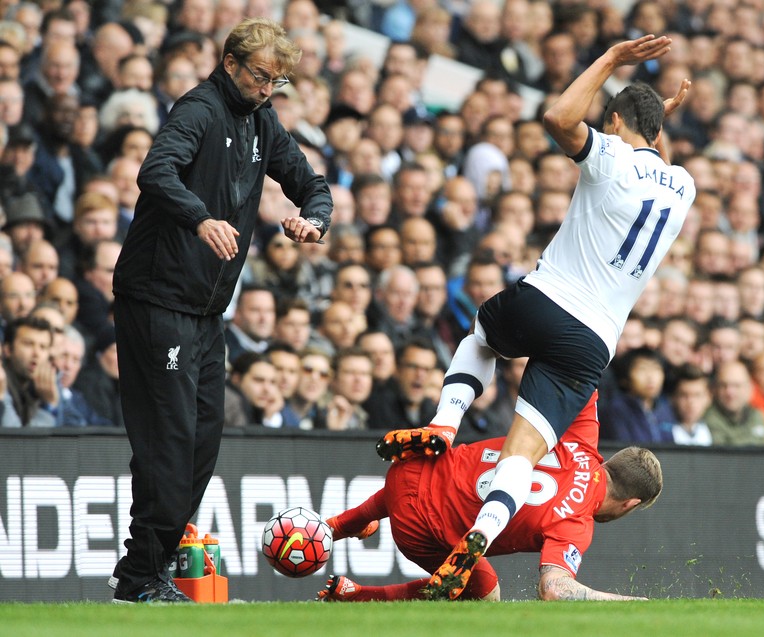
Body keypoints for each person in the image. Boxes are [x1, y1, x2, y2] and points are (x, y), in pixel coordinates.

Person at [375, 35, 694, 600]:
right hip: (594, 342)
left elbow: (557, 116)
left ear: (615, 120)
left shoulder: (610, 155)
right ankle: (479, 534)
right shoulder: (683, 185)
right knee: (525, 452)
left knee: (481, 331)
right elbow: (652, 164)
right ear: (660, 136)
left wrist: (610, 61)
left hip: (549, 299)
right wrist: (654, 124)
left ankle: (445, 424)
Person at [109, 18, 332, 604]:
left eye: (277, 82)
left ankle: (145, 570)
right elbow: (155, 171)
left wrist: (313, 218)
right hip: (158, 299)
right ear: (230, 62)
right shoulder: (199, 110)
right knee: (170, 440)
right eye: (261, 76)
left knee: (203, 442)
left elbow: (312, 183)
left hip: (207, 309)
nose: (266, 89)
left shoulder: (262, 119)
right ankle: (141, 577)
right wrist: (201, 217)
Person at [320, 395, 660, 602]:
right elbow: (555, 588)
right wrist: (632, 601)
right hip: (420, 529)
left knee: (441, 487)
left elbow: (581, 377)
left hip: (412, 468)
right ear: (630, 504)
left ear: (608, 462)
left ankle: (330, 527)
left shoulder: (582, 439)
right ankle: (359, 595)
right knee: (484, 591)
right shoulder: (576, 523)